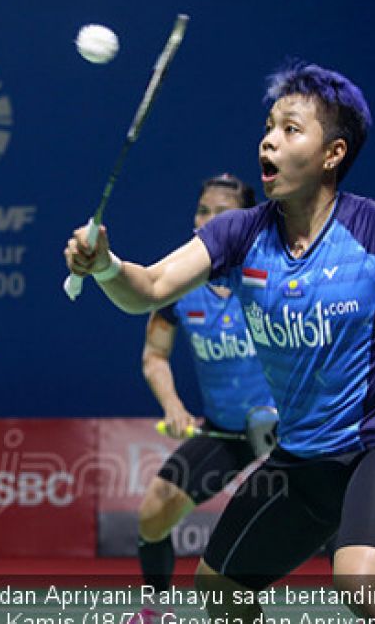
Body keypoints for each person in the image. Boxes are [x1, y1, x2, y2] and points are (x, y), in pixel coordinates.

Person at [64, 59, 375, 621]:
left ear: (333, 154)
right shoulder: (239, 234)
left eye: (291, 129)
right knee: (219, 589)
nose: (269, 141)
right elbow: (149, 287)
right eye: (269, 127)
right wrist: (105, 266)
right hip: (302, 457)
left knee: (362, 578)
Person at [133, 174, 275, 622]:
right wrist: (173, 407)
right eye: (203, 210)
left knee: (333, 527)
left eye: (222, 213)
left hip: (288, 429)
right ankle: (157, 610)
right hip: (227, 431)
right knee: (155, 513)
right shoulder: (179, 286)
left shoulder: (269, 278)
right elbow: (155, 356)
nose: (208, 221)